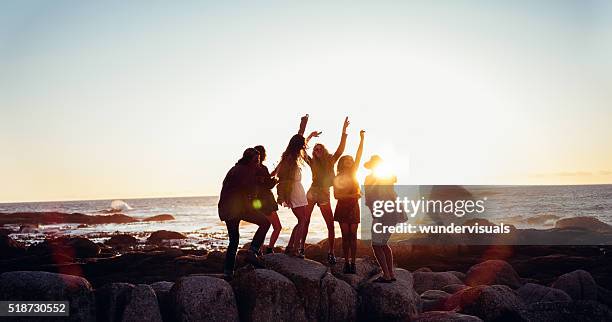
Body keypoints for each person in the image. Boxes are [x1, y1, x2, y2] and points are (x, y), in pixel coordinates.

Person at [300, 116, 350, 265]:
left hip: (324, 194)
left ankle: (331, 252)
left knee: (330, 224)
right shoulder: (311, 162)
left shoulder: (331, 160)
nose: (317, 150)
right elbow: (302, 150)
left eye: (319, 148)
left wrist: (344, 131)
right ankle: (301, 249)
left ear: (324, 150)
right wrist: (308, 137)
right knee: (305, 221)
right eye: (315, 149)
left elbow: (341, 149)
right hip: (312, 192)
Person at [218, 148, 271, 280]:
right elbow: (250, 191)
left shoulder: (236, 169)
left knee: (234, 240)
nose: (258, 163)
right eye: (256, 160)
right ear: (249, 160)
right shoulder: (245, 171)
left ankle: (228, 272)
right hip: (235, 209)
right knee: (265, 222)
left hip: (228, 208)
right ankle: (252, 251)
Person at [272, 114, 320, 258]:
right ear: (298, 145)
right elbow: (300, 137)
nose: (304, 145)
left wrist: (304, 126)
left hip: (295, 189)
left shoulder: (288, 154)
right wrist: (303, 126)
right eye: (303, 144)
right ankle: (294, 249)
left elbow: (299, 138)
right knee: (302, 220)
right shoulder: (291, 155)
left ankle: (291, 247)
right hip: (293, 190)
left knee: (302, 220)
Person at [333, 129, 365, 274]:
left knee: (353, 236)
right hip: (343, 207)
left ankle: (353, 263)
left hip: (353, 207)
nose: (350, 162)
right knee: (346, 236)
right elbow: (336, 196)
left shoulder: (354, 173)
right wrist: (353, 195)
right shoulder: (337, 177)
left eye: (351, 161)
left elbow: (359, 155)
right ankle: (346, 263)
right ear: (342, 163)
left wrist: (362, 139)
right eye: (347, 160)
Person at [364, 155, 398, 283]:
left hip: (382, 213)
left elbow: (369, 199)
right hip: (392, 213)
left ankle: (387, 275)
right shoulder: (388, 177)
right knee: (383, 244)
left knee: (377, 245)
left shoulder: (371, 178)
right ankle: (391, 273)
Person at [253, 145, 282, 254]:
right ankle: (269, 249)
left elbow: (262, 181)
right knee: (277, 227)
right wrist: (276, 180)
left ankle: (259, 250)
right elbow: (268, 185)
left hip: (258, 202)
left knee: (264, 226)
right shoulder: (262, 168)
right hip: (267, 202)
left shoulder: (251, 170)